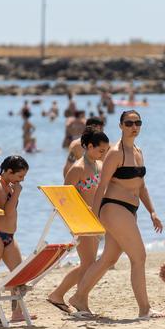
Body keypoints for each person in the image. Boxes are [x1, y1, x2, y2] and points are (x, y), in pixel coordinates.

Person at [69, 110, 165, 319]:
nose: (134, 127)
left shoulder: (138, 151)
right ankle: (144, 309)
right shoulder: (115, 153)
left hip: (131, 210)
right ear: (121, 125)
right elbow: (102, 187)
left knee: (109, 258)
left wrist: (153, 211)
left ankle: (79, 297)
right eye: (129, 123)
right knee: (139, 256)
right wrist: (93, 219)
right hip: (114, 208)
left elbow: (141, 186)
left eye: (137, 123)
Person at [47, 129, 110, 313]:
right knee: (89, 264)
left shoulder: (98, 165)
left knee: (88, 264)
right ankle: (78, 300)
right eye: (101, 150)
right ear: (89, 146)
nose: (104, 154)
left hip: (95, 221)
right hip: (81, 221)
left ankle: (57, 295)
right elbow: (63, 199)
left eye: (106, 150)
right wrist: (77, 220)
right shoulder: (78, 168)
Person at [0, 155, 31, 322]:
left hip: (10, 236)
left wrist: (15, 191)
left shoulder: (10, 185)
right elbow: (6, 211)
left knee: (19, 274)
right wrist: (16, 194)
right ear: (8, 172)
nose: (22, 180)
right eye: (20, 176)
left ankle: (17, 312)